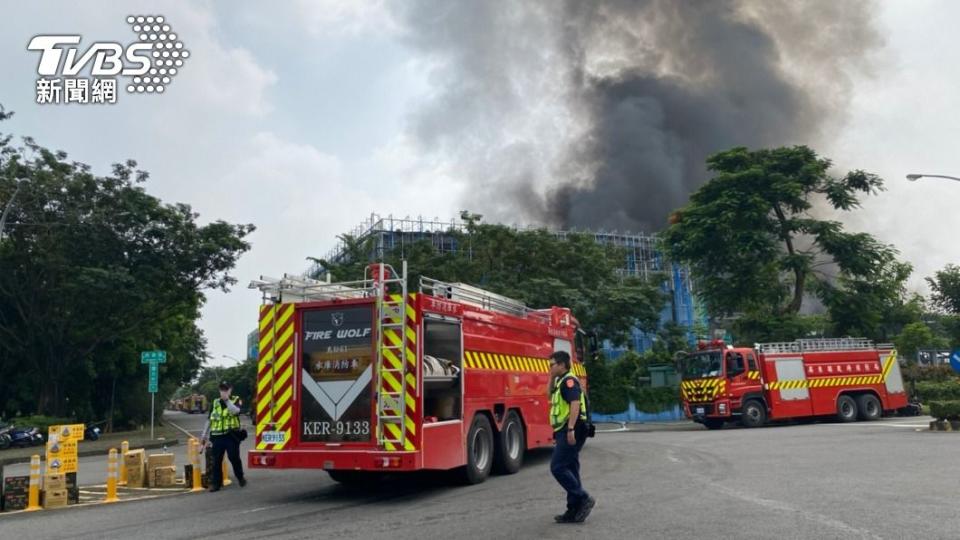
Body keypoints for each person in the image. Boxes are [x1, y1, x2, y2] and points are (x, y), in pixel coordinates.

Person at [548, 351, 595, 523]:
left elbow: (575, 404)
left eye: (552, 364)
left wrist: (570, 430)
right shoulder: (559, 381)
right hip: (565, 428)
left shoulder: (569, 381)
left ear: (562, 364)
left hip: (573, 428)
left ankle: (583, 498)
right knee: (571, 468)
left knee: (558, 467)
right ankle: (573, 509)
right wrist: (550, 377)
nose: (550, 367)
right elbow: (548, 396)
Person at [199, 381, 247, 491]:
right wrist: (203, 436)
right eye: (222, 390)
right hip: (217, 436)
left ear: (230, 390)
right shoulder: (215, 402)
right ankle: (216, 484)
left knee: (233, 458)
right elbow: (209, 420)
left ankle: (240, 477)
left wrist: (226, 400)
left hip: (231, 436)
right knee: (216, 461)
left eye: (226, 389)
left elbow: (235, 411)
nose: (223, 392)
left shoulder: (236, 400)